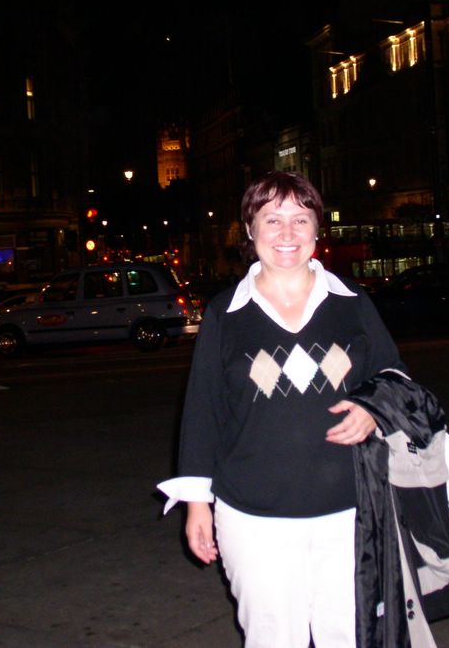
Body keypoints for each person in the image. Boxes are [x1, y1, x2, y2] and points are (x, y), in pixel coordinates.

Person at [158, 171, 404, 648]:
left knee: (349, 637)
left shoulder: (351, 303)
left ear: (317, 229)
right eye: (272, 219)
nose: (287, 233)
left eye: (300, 219)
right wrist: (196, 504)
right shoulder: (226, 314)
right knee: (272, 637)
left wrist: (374, 407)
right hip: (253, 518)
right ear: (250, 230)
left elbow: (395, 374)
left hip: (349, 511)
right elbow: (203, 411)